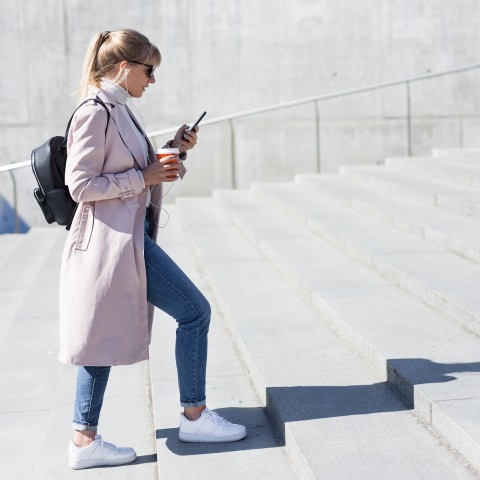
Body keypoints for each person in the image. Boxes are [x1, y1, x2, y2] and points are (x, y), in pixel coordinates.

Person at [59, 29, 246, 470]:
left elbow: (133, 169)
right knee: (194, 312)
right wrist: (144, 179)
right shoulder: (94, 112)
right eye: (149, 70)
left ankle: (84, 442)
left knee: (98, 336)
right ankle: (194, 417)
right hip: (112, 240)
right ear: (125, 68)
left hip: (126, 237)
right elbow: (80, 184)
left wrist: (171, 152)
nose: (153, 80)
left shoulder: (119, 108)